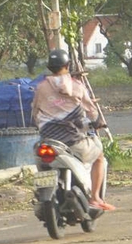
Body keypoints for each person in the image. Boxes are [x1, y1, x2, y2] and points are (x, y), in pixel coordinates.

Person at [32, 50, 114, 211]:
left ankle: (42, 195)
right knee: (99, 156)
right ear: (67, 65)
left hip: (48, 141)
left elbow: (34, 111)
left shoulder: (40, 88)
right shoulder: (77, 86)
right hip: (74, 142)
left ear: (49, 67)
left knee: (42, 163)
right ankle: (95, 198)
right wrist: (98, 122)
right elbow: (91, 111)